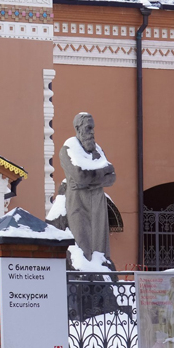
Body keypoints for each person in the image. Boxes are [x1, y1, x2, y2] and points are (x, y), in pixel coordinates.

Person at [59, 112, 117, 262]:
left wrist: (87, 181)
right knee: (82, 247)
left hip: (98, 204)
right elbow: (79, 175)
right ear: (78, 128)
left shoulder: (97, 150)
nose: (92, 132)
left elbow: (111, 176)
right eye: (88, 128)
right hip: (78, 204)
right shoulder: (68, 150)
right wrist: (98, 177)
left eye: (93, 128)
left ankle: (102, 275)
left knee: (100, 250)